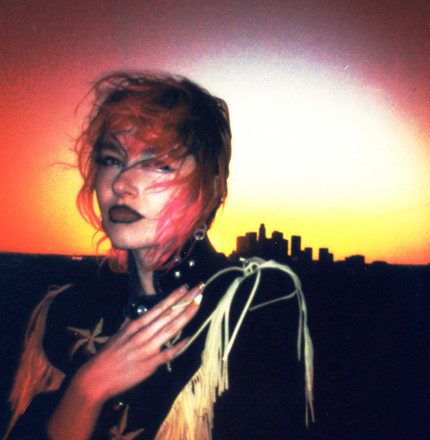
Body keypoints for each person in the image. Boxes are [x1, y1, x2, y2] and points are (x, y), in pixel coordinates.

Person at [3, 73, 313, 440]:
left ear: (210, 185)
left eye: (158, 164)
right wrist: (85, 391)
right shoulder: (68, 308)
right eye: (111, 159)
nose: (121, 184)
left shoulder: (252, 303)